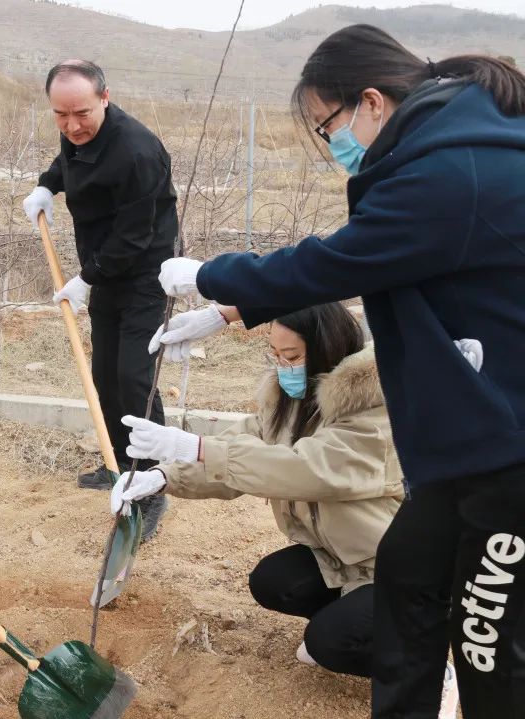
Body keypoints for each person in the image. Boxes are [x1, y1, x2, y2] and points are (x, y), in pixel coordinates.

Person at [154, 24, 525, 719]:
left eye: (328, 128)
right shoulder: (447, 153)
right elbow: (379, 261)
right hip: (467, 445)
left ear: (372, 102)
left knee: (487, 645)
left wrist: (212, 275)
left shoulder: (453, 171)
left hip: (511, 456)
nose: (334, 147)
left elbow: (344, 260)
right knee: (408, 583)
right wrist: (233, 311)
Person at [113, 302, 462, 718]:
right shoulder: (291, 401)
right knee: (273, 582)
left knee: (330, 642)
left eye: (292, 356)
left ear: (329, 348)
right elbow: (244, 448)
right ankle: (364, 625)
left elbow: (307, 469)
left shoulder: (378, 411)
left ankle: (428, 667)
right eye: (276, 356)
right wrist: (164, 476)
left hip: (401, 567)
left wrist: (200, 448)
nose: (283, 367)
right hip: (344, 556)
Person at [22, 59, 179, 539]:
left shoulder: (137, 151)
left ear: (105, 98)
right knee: (105, 376)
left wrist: (85, 279)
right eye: (60, 115)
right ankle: (118, 462)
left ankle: (153, 484)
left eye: (81, 114)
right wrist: (47, 184)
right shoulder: (77, 132)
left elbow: (135, 236)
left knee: (134, 377)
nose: (72, 126)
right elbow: (66, 159)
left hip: (145, 275)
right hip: (105, 271)